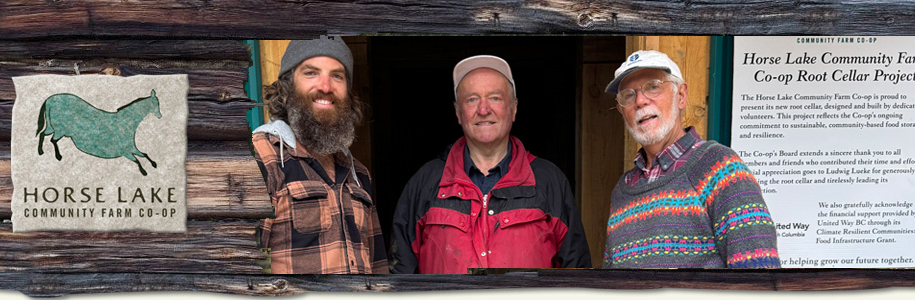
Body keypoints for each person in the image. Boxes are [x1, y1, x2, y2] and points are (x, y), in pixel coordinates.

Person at [390, 55, 591, 274]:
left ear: (513, 109)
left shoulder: (549, 180)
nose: (483, 109)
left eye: (495, 98)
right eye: (472, 99)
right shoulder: (425, 182)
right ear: (458, 112)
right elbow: (399, 275)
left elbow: (577, 274)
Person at [601, 50, 780, 268]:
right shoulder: (623, 191)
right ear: (622, 111)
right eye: (628, 95)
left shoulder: (721, 169)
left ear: (681, 96)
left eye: (653, 87)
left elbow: (759, 277)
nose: (640, 101)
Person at [251, 36, 386, 274]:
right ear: (287, 85)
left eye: (337, 75)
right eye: (311, 73)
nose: (325, 86)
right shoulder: (259, 159)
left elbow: (379, 270)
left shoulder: (359, 175)